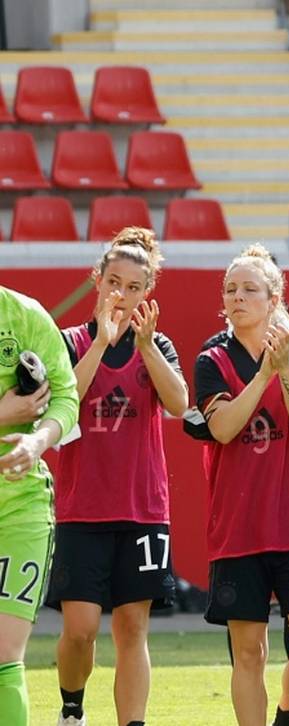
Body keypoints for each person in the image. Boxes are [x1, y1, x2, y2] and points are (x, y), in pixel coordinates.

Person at [49, 228, 188, 726]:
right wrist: (101, 343)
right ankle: (71, 708)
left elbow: (179, 404)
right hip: (82, 508)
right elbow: (65, 401)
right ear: (97, 280)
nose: (122, 295)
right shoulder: (69, 342)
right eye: (114, 282)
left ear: (146, 292)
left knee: (133, 627)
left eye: (133, 287)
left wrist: (147, 347)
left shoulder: (158, 344)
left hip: (142, 509)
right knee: (81, 629)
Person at [195, 245, 289, 726]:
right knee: (248, 652)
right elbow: (223, 428)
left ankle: (287, 717)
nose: (237, 297)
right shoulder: (211, 359)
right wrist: (263, 376)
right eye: (230, 289)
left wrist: (286, 365)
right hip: (238, 527)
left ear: (274, 299)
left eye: (250, 289)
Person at [0, 284, 79, 726]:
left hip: (20, 507)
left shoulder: (26, 314)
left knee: (5, 654)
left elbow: (66, 396)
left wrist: (37, 439)